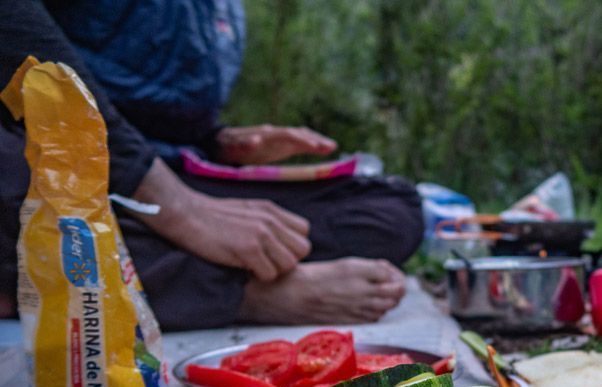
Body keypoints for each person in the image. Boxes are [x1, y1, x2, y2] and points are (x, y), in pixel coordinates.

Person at [0, 0, 424, 330]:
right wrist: (179, 208)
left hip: (152, 176)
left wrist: (218, 144)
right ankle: (242, 294)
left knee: (390, 211)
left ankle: (137, 274)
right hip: (53, 163)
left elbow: (143, 110)